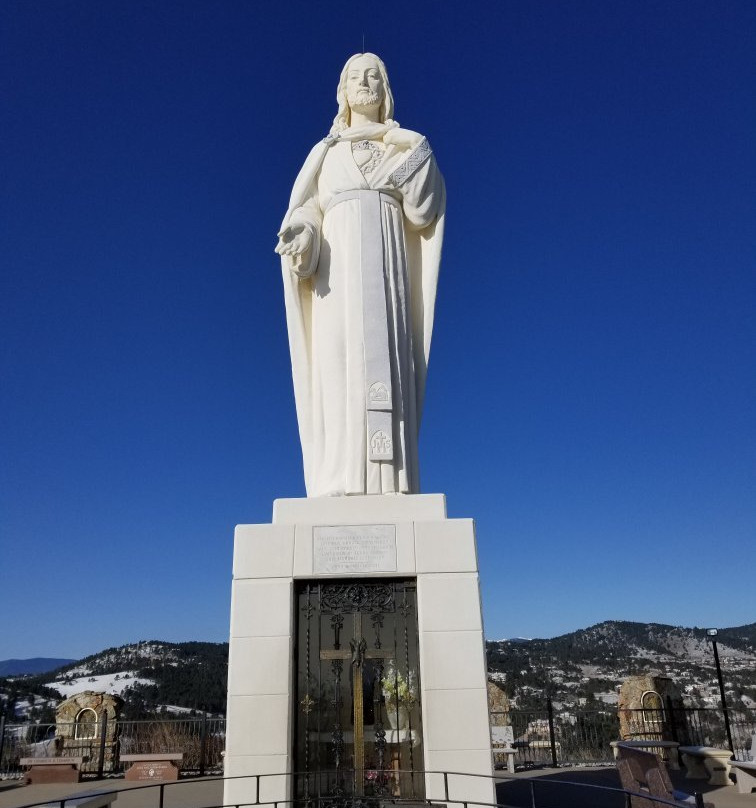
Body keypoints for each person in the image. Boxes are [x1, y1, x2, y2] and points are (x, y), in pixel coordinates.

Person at [276, 53, 445, 497]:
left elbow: (422, 212)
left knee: (390, 363)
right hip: (335, 276)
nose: (365, 83)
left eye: (374, 76)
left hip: (387, 274)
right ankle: (337, 477)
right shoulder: (326, 153)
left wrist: (416, 145)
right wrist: (302, 234)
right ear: (343, 90)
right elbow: (307, 209)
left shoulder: (400, 147)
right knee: (335, 367)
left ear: (385, 89)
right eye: (356, 76)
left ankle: (390, 481)